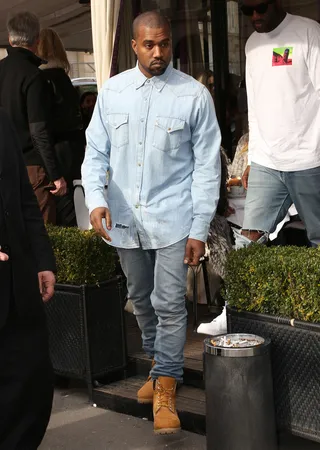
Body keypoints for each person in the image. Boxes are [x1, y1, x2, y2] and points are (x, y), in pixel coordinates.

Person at [82, 11, 221, 435]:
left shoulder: (194, 96)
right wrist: (95, 200)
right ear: (134, 46)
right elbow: (94, 155)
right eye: (149, 45)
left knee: (168, 302)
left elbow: (207, 167)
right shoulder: (113, 92)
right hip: (125, 221)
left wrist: (199, 227)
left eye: (164, 44)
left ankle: (166, 385)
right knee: (140, 299)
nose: (158, 52)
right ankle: (159, 366)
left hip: (173, 219)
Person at [236, 1, 320, 248]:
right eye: (246, 11)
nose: (254, 16)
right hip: (266, 164)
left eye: (260, 8)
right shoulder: (252, 44)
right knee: (246, 243)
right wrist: (252, 158)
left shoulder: (308, 33)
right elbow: (255, 107)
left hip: (309, 162)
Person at [0, 108, 56, 449]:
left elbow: (23, 197)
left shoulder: (3, 119)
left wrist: (42, 260)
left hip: (18, 283)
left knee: (33, 385)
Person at [0, 11, 67, 224]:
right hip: (30, 168)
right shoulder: (33, 75)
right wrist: (55, 175)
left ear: (10, 39)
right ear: (37, 41)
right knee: (40, 236)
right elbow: (38, 130)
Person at [38, 28, 84, 225]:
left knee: (57, 202)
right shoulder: (63, 79)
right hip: (72, 147)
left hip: (53, 147)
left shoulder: (40, 80)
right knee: (71, 200)